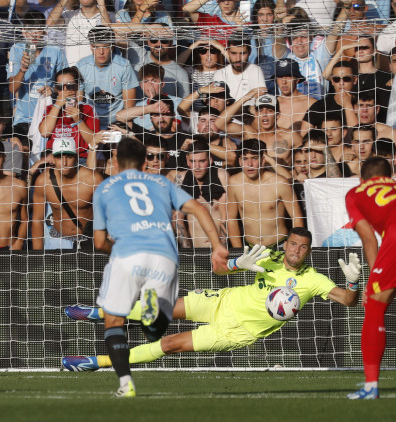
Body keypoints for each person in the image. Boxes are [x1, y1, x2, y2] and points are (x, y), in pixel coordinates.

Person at [62, 229, 359, 374]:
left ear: (308, 251)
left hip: (238, 330)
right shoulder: (270, 257)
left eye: (303, 247)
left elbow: (348, 301)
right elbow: (217, 268)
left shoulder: (314, 279)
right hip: (224, 300)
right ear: (286, 244)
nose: (296, 250)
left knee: (169, 344)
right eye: (293, 244)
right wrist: (236, 264)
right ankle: (98, 312)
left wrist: (353, 281)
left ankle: (95, 362)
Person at [65, 137, 228, 398]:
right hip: (163, 254)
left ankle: (125, 383)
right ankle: (153, 310)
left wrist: (114, 249)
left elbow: (98, 242)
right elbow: (197, 208)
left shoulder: (105, 189)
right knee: (155, 330)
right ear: (144, 162)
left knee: (114, 320)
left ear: (116, 162)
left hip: (128, 254)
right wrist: (217, 245)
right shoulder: (161, 182)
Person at [344, 156, 396, 399]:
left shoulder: (355, 193)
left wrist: (374, 278)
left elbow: (368, 238)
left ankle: (371, 386)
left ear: (361, 178)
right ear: (390, 177)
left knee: (374, 306)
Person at [225, 139, 305, 248]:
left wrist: (292, 247)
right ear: (240, 162)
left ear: (263, 160)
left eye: (254, 158)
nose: (250, 164)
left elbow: (297, 218)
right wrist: (238, 251)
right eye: (245, 159)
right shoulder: (234, 183)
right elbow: (231, 219)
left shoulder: (279, 183)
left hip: (279, 245)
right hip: (250, 248)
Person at [30, 137, 104, 250]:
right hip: (58, 240)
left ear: (76, 157)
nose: (64, 162)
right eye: (59, 157)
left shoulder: (93, 179)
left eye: (69, 157)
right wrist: (38, 256)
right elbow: (37, 220)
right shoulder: (43, 181)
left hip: (88, 241)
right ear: (53, 158)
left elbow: (108, 216)